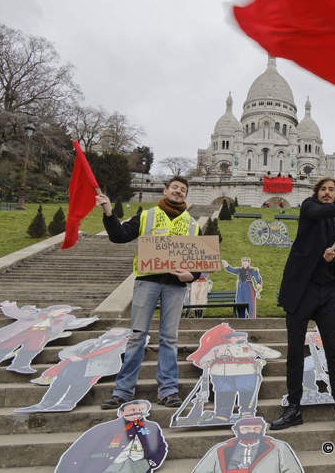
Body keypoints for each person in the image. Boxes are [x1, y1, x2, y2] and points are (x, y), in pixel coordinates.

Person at [270, 177, 335, 432]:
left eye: (332, 190)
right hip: (300, 291)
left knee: (333, 350)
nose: (328, 193)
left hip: (327, 292)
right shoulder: (308, 208)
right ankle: (294, 408)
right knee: (295, 351)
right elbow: (319, 211)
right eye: (324, 189)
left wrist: (334, 257)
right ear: (316, 193)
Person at [95, 176, 200, 410]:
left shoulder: (193, 224)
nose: (178, 192)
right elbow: (119, 236)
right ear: (165, 190)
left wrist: (191, 275)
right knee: (137, 336)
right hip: (147, 282)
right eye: (175, 188)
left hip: (175, 286)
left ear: (186, 195)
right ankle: (122, 391)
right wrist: (109, 213)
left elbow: (199, 259)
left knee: (169, 339)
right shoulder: (146, 215)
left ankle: (169, 390)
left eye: (183, 190)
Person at [16, 327, 131, 413]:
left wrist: (132, 337)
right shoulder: (91, 341)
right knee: (61, 381)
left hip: (97, 366)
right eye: (112, 330)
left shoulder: (122, 343)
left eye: (118, 331)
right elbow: (68, 350)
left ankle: (68, 402)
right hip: (76, 363)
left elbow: (141, 341)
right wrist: (71, 356)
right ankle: (46, 403)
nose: (113, 332)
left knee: (81, 383)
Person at [55, 399, 168, 472]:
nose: (137, 411)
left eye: (141, 409)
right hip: (112, 462)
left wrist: (152, 462)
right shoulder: (106, 428)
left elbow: (161, 447)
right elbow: (83, 448)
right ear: (122, 412)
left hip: (139, 463)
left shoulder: (152, 427)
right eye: (133, 409)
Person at [192, 417, 303, 473]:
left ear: (262, 430)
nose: (251, 431)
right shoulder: (219, 449)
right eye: (246, 429)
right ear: (237, 431)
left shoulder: (279, 447)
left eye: (256, 428)